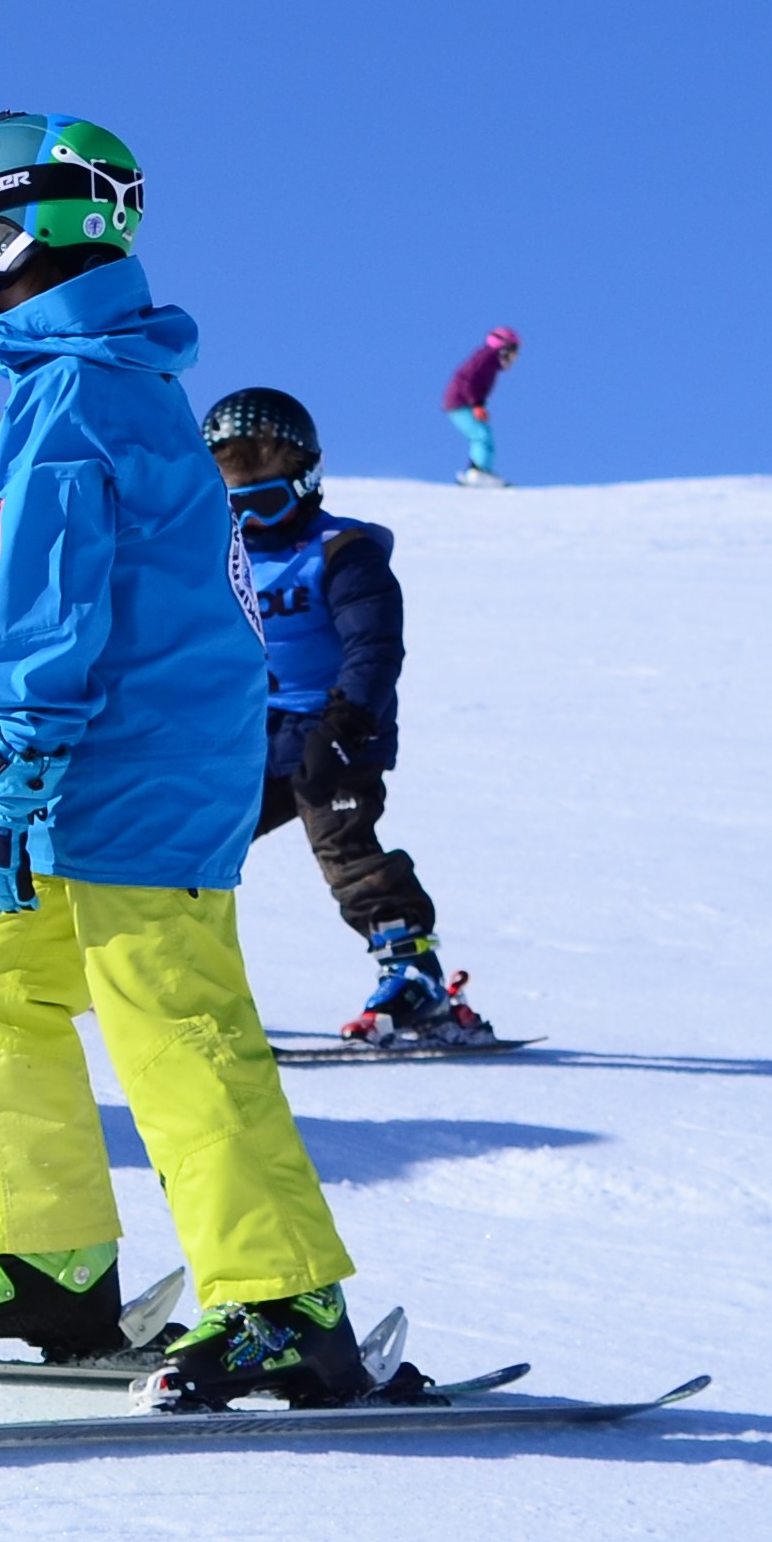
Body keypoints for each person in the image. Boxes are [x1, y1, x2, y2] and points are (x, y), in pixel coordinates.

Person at [0, 110, 376, 1409]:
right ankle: (43, 1259)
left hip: (130, 768)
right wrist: (2, 736)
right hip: (122, 753)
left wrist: (22, 759)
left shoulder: (79, 396)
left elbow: (51, 606)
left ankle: (280, 1301)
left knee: (170, 1014)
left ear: (15, 233)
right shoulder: (97, 381)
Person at [203, 387, 491, 1047]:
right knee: (195, 841)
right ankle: (171, 976)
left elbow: (373, 645)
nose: (252, 522)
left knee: (344, 845)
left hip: (335, 732)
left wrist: (347, 721)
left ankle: (412, 972)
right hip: (254, 735)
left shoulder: (341, 552)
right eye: (235, 506)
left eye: (267, 501)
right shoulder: (223, 560)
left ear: (305, 482)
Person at [443, 325, 521, 485]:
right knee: (481, 434)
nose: (514, 357)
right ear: (503, 348)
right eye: (513, 351)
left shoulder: (489, 362)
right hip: (460, 402)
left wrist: (479, 404)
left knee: (484, 434)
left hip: (465, 402)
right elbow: (467, 379)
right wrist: (476, 404)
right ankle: (479, 471)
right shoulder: (486, 358)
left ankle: (478, 470)